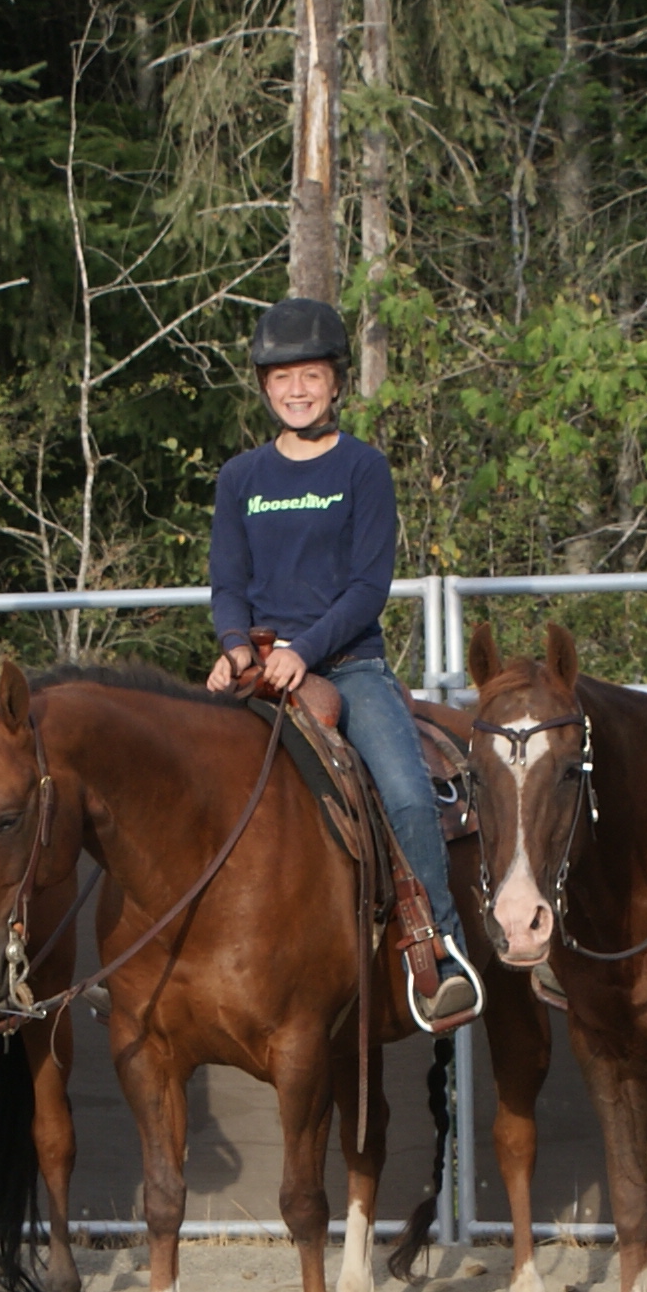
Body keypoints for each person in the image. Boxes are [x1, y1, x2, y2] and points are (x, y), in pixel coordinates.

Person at [204, 296, 480, 1029]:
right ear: (264, 387)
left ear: (334, 383)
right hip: (256, 669)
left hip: (348, 664)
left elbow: (368, 588)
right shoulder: (242, 478)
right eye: (282, 378)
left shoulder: (363, 468)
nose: (297, 390)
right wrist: (236, 648)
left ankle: (438, 951)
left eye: (312, 376)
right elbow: (228, 583)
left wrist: (305, 651)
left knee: (408, 793)